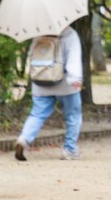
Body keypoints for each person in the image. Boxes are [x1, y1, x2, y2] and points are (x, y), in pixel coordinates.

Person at [15, 27, 83, 161]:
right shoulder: (70, 34)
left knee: (37, 114)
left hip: (41, 83)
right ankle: (69, 149)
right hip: (65, 84)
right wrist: (75, 78)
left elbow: (32, 55)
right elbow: (73, 56)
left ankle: (24, 138)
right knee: (73, 115)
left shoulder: (38, 33)